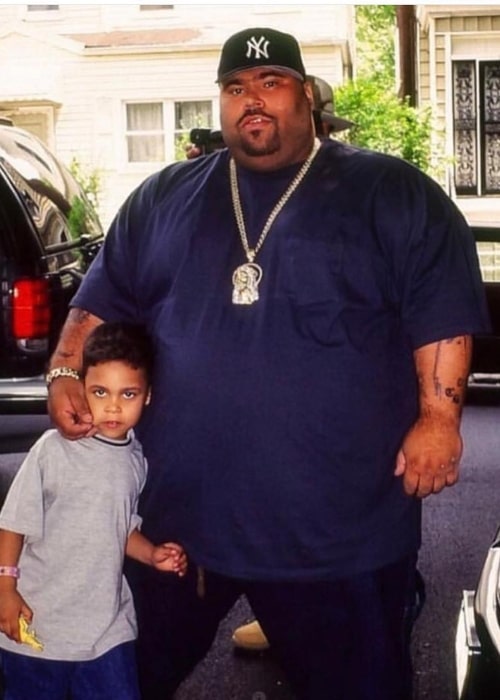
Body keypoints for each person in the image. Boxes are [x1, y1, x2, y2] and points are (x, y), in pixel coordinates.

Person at [45, 26, 489, 700]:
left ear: (307, 96)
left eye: (270, 82)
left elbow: (443, 311)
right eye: (234, 88)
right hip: (179, 524)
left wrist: (439, 418)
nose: (251, 99)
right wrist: (64, 370)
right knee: (117, 681)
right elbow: (101, 298)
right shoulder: (163, 198)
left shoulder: (390, 193)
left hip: (337, 532)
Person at [0, 322, 187, 700]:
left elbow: (119, 529)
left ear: (148, 396)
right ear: (83, 387)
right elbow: (13, 522)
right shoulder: (55, 449)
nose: (113, 406)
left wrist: (152, 554)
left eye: (128, 393)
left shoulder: (136, 459)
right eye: (100, 392)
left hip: (107, 626)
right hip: (40, 622)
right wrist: (5, 587)